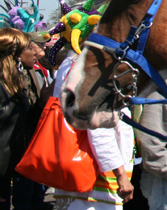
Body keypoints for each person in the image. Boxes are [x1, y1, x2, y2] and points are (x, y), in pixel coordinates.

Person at [51, 48, 135, 209]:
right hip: (96, 182)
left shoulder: (69, 65)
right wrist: (120, 175)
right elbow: (99, 130)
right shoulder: (92, 71)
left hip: (72, 167)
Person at [0, 28, 48, 210]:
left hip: (16, 166)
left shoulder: (13, 84)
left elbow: (21, 122)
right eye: (30, 47)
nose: (36, 52)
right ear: (16, 54)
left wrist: (41, 103)